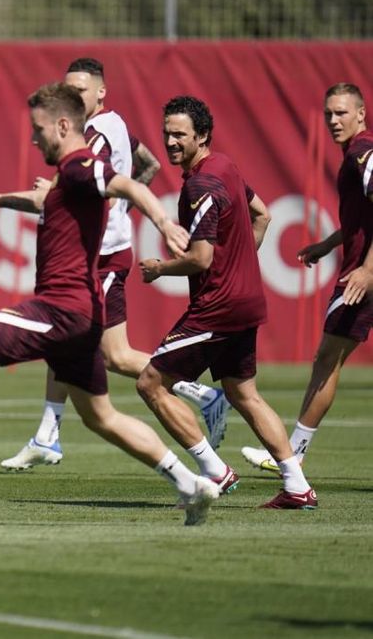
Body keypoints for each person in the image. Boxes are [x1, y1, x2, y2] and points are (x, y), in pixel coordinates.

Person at [0, 83, 223, 526]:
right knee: (101, 417)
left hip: (61, 310)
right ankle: (190, 482)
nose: (33, 139)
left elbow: (124, 184)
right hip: (80, 316)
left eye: (38, 129)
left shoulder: (84, 164)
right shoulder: (69, 174)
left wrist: (163, 221)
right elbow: (46, 200)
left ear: (63, 125)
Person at [2, 58, 229, 472]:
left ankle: (202, 395)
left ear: (102, 91)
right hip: (95, 251)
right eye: (68, 89)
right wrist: (119, 205)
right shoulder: (118, 125)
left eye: (82, 89)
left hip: (102, 255)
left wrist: (51, 193)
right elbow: (148, 165)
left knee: (115, 356)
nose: (73, 96)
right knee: (63, 337)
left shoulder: (96, 135)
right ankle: (47, 435)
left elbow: (86, 178)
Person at [138, 96, 316, 509]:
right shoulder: (226, 166)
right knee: (243, 394)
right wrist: (239, 265)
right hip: (245, 301)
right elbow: (264, 215)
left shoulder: (202, 184)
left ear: (202, 136)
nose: (170, 141)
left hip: (218, 307)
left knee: (150, 382)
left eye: (179, 134)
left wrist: (160, 269)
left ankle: (215, 471)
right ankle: (297, 486)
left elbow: (200, 258)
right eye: (167, 133)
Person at [242, 82, 373, 479]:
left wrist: (367, 270)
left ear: (362, 114)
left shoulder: (362, 151)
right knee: (327, 361)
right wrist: (329, 243)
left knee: (326, 362)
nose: (334, 120)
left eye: (342, 113)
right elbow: (362, 219)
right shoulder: (355, 152)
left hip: (363, 277)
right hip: (360, 268)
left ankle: (293, 456)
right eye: (328, 113)